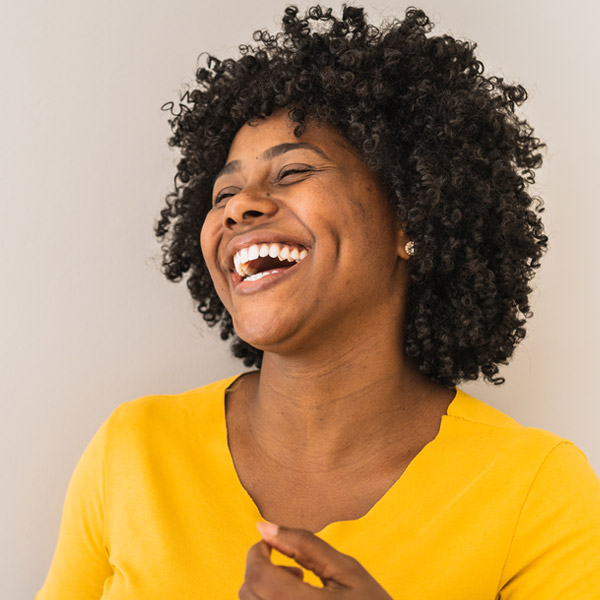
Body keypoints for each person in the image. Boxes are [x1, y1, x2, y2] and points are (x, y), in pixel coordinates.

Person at [37, 5, 600, 599]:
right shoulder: (132, 450)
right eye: (224, 191)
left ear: (411, 216)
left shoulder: (536, 489)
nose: (237, 207)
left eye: (292, 172)